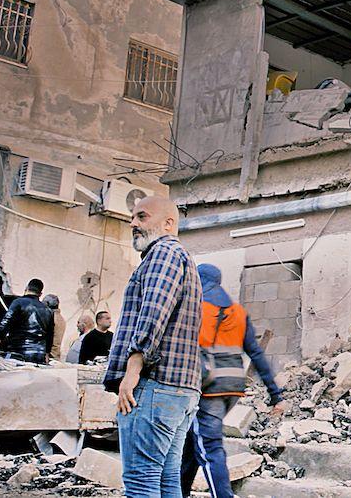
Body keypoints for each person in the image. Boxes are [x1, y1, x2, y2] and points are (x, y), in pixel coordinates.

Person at [104, 196, 202, 498]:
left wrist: (131, 372)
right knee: (166, 478)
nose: (133, 223)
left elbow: (152, 314)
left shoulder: (163, 253)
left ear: (168, 223)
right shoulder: (181, 258)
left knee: (141, 480)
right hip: (180, 390)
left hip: (155, 386)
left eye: (142, 217)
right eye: (132, 217)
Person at [180, 264, 286, 498]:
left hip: (208, 387)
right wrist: (275, 394)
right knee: (191, 445)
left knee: (209, 447)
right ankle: (179, 493)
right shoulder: (237, 312)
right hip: (232, 388)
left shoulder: (199, 307)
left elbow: (190, 346)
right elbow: (256, 354)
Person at [0, 279, 54, 364]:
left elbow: (5, 323)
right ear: (40, 294)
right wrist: (47, 353)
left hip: (18, 351)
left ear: (26, 288)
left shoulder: (18, 303)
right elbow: (50, 334)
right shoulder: (48, 310)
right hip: (39, 354)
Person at [44, 294, 66, 360]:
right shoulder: (61, 318)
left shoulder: (51, 318)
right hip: (55, 355)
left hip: (49, 356)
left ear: (47, 304)